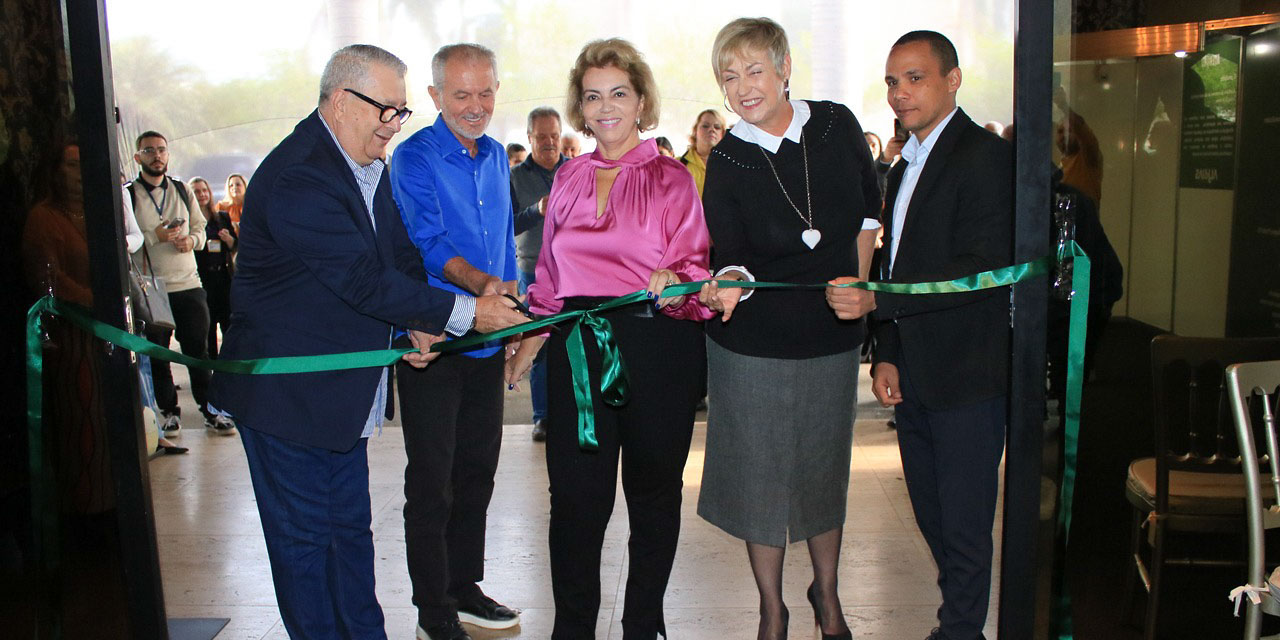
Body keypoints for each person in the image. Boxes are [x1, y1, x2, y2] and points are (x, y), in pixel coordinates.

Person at [209, 44, 526, 640]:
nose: (394, 124)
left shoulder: (365, 165)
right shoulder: (303, 174)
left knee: (350, 534)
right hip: (288, 399)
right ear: (339, 100)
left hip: (339, 401)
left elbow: (398, 255)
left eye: (400, 111)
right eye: (386, 109)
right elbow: (358, 278)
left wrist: (420, 320)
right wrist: (464, 315)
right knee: (306, 544)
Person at [504, 37, 713, 640]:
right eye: (593, 96)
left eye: (619, 93)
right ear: (580, 107)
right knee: (574, 506)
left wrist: (677, 281)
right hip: (577, 351)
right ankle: (573, 630)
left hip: (657, 353)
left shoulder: (673, 178)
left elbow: (696, 273)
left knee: (652, 501)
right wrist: (528, 345)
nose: (606, 107)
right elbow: (549, 278)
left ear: (641, 99)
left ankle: (643, 625)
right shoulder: (567, 178)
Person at [694, 17, 881, 640]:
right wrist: (735, 278)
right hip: (752, 346)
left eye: (754, 70)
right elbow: (730, 250)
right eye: (729, 76)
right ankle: (772, 607)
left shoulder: (835, 125)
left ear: (784, 67)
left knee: (824, 471)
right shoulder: (727, 158)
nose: (743, 87)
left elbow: (865, 217)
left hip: (831, 336)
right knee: (760, 479)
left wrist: (858, 290)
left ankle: (827, 593)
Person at [829, 31, 1013, 640]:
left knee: (962, 525)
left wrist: (879, 300)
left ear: (952, 79)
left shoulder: (984, 157)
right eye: (891, 81)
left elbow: (981, 270)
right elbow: (898, 264)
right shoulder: (904, 163)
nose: (899, 93)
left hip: (967, 373)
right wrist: (888, 351)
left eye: (914, 78)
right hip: (917, 373)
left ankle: (959, 631)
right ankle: (958, 625)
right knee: (934, 517)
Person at [388, 42, 522, 640]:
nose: (476, 106)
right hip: (434, 339)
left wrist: (514, 312)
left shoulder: (496, 156)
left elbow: (503, 245)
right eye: (461, 94)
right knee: (432, 480)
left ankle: (465, 586)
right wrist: (486, 287)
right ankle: (432, 607)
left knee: (478, 472)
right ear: (435, 97)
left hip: (489, 340)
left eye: (486, 92)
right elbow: (429, 244)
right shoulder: (412, 158)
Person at [125, 131, 230, 434]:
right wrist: (153, 237)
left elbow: (201, 228)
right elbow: (125, 238)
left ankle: (211, 409)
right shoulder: (129, 194)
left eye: (161, 150)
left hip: (188, 284)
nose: (156, 156)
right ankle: (169, 411)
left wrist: (192, 240)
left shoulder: (183, 190)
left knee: (198, 350)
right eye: (149, 151)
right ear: (138, 157)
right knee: (158, 353)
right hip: (152, 287)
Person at [509, 105, 567, 442]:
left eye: (554, 136)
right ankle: (542, 416)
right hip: (532, 272)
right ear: (529, 138)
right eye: (541, 137)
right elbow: (507, 226)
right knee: (538, 346)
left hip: (573, 274)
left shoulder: (577, 171)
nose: (549, 143)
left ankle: (572, 411)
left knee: (573, 343)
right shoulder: (514, 177)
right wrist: (536, 210)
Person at [190, 177, 236, 361]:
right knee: (206, 326)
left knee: (228, 323)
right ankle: (212, 365)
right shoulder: (190, 221)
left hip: (223, 277)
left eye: (204, 190)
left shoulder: (222, 217)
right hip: (202, 278)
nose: (202, 195)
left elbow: (235, 245)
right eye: (197, 191)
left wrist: (228, 239)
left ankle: (230, 362)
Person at [678, 108, 726, 197]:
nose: (712, 130)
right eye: (705, 126)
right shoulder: (678, 165)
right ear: (695, 131)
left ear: (722, 134)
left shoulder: (730, 167)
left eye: (717, 127)